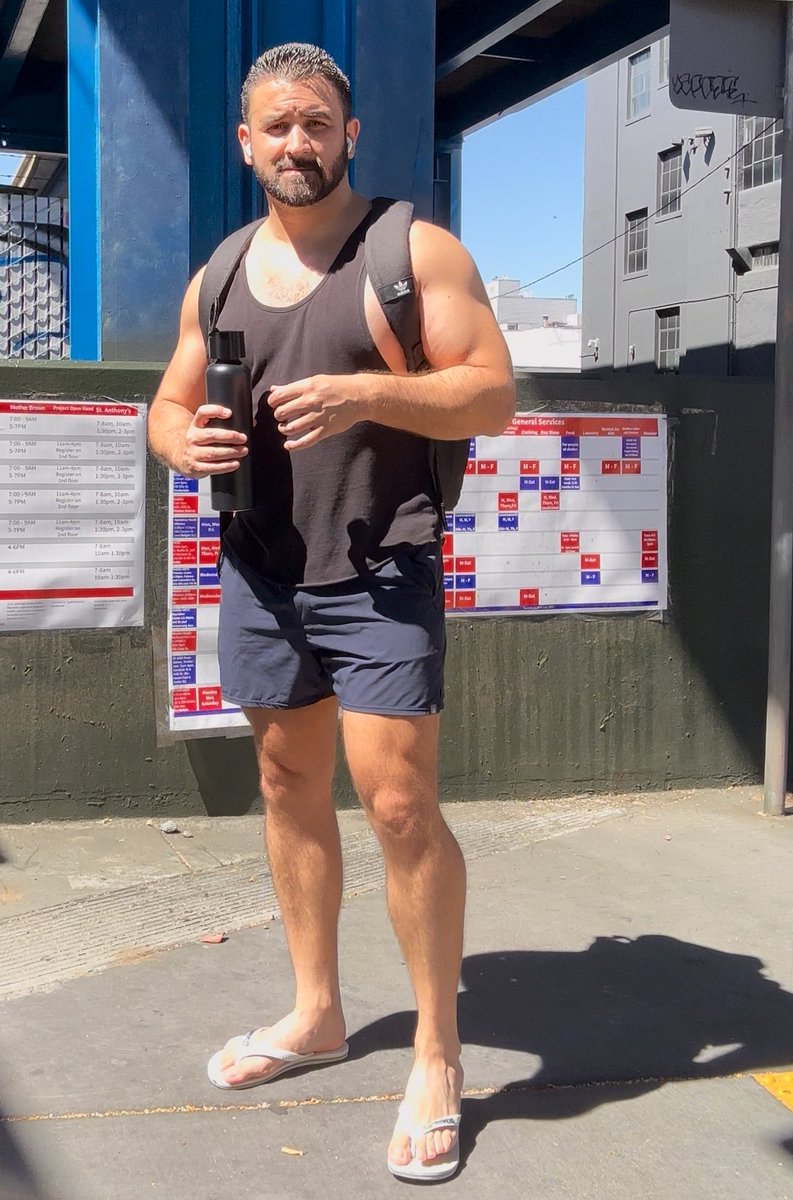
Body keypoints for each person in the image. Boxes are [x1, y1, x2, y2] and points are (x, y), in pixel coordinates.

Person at [148, 42, 515, 1181]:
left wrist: (371, 392)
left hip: (381, 565)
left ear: (348, 135)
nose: (296, 142)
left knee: (399, 805)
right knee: (284, 785)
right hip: (262, 568)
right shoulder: (219, 273)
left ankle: (437, 1052)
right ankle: (315, 1012)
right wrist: (184, 443)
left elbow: (492, 394)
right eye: (277, 125)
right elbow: (167, 404)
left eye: (316, 123)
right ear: (245, 142)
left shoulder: (410, 251)